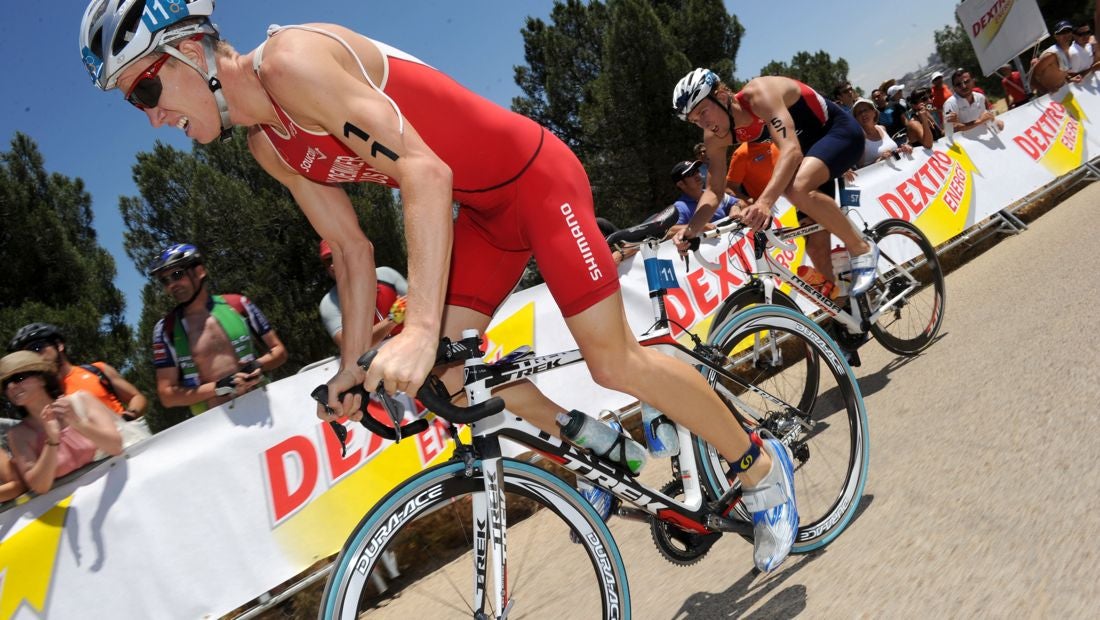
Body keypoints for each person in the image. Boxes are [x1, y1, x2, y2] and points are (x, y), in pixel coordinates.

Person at [79, 2, 799, 571]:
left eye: (146, 84)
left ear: (192, 48)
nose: (148, 115)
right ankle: (603, 446)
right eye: (128, 102)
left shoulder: (293, 62)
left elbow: (425, 172)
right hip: (482, 216)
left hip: (537, 182)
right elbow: (354, 252)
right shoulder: (269, 143)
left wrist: (420, 328)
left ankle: (760, 465)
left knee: (611, 360)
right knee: (453, 382)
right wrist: (350, 366)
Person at [671, 68, 877, 296]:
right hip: (810, 154)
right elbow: (713, 191)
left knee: (796, 188)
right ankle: (845, 316)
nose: (703, 124)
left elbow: (791, 151)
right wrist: (690, 232)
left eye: (703, 112)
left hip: (838, 132)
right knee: (817, 249)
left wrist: (764, 203)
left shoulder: (759, 94)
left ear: (720, 97)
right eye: (695, 120)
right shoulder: (715, 136)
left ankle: (862, 249)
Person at [148, 243, 287, 415]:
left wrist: (258, 364)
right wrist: (218, 388)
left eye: (177, 275)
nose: (171, 285)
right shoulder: (165, 329)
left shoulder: (238, 304)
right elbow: (167, 395)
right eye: (165, 280)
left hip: (261, 406)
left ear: (199, 271)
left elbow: (279, 351)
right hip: (214, 425)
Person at [2, 351, 123, 495]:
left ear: (42, 379)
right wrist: (52, 441)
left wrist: (78, 424)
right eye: (5, 385)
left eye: (18, 378)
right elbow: (40, 487)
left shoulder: (82, 401)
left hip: (116, 489)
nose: (11, 387)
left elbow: (116, 447)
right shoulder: (18, 435)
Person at [9, 323, 148, 421]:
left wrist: (128, 416)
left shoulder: (97, 370)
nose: (34, 356)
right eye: (28, 354)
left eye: (37, 347)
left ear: (59, 345)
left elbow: (136, 397)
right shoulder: (40, 395)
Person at [319, 239, 408, 349]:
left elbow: (422, 306)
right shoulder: (329, 304)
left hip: (410, 346)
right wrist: (393, 319)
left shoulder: (387, 275)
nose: (332, 265)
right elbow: (351, 347)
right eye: (328, 260)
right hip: (374, 361)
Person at [668, 160, 735, 235]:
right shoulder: (680, 207)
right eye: (690, 174)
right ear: (681, 184)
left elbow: (738, 202)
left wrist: (735, 207)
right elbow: (669, 232)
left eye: (696, 171)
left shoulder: (712, 193)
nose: (697, 175)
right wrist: (696, 226)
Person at [851, 98, 912, 167]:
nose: (863, 114)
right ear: (856, 119)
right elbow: (860, 168)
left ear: (874, 112)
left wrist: (902, 149)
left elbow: (892, 151)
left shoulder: (882, 128)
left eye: (865, 110)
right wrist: (880, 160)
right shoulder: (858, 138)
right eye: (859, 113)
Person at [944, 69, 1004, 133]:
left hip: (985, 137)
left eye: (966, 81)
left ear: (973, 81)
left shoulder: (980, 97)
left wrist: (995, 122)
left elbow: (986, 118)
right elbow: (951, 129)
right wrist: (979, 121)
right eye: (958, 84)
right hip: (965, 142)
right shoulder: (950, 104)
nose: (963, 86)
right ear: (954, 88)